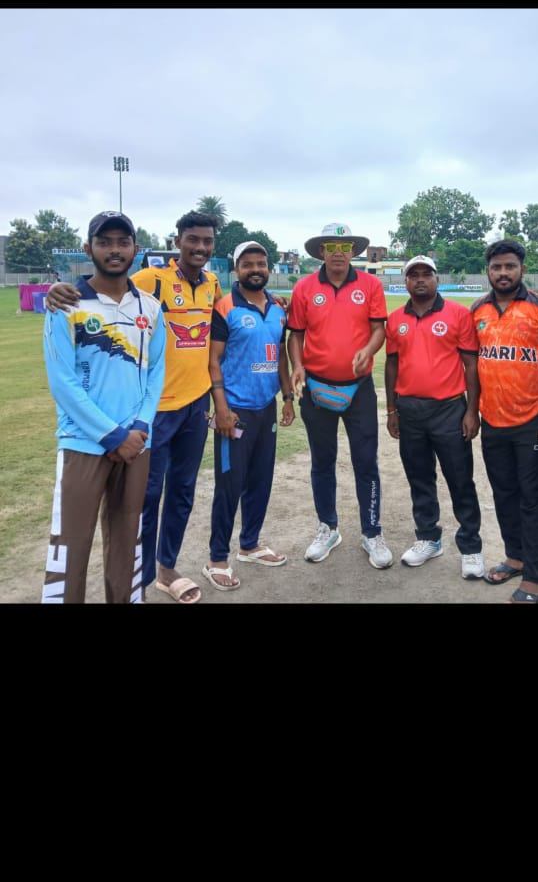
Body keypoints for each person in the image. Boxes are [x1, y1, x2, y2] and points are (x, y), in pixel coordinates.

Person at [46, 211, 221, 605]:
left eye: (207, 241)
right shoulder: (146, 281)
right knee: (111, 521)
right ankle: (140, 582)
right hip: (130, 424)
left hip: (179, 411)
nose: (200, 247)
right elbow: (63, 379)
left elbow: (165, 361)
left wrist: (276, 300)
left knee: (172, 500)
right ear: (177, 242)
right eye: (192, 239)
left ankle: (165, 571)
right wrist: (57, 288)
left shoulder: (207, 285)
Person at [41, 212, 166, 604]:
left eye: (123, 242)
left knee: (127, 543)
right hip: (84, 442)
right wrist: (112, 435)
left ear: (135, 249)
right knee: (71, 547)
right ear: (88, 248)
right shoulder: (65, 305)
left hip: (137, 442)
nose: (115, 250)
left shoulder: (150, 307)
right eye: (104, 241)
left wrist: (140, 427)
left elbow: (156, 373)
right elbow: (62, 382)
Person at [287, 222, 393, 569]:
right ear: (321, 251)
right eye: (331, 246)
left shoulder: (370, 285)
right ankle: (328, 528)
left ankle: (372, 532)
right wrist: (297, 365)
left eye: (344, 247)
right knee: (322, 461)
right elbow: (296, 334)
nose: (338, 252)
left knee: (366, 462)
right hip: (316, 388)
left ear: (353, 252)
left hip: (359, 388)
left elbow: (378, 329)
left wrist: (368, 349)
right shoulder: (304, 287)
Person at [202, 242, 295, 592]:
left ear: (268, 268)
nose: (255, 269)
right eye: (247, 264)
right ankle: (216, 559)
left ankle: (250, 545)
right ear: (236, 269)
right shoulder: (225, 307)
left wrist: (287, 397)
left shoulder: (277, 308)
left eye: (261, 263)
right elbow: (213, 361)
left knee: (260, 480)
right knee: (230, 485)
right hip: (235, 411)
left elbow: (281, 355)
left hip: (265, 407)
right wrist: (222, 409)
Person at [384, 255, 484, 579]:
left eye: (426, 274)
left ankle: (470, 547)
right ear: (405, 282)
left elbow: (471, 364)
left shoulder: (457, 314)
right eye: (413, 274)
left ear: (437, 279)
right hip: (410, 410)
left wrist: (471, 410)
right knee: (419, 478)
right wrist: (392, 409)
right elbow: (392, 364)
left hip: (449, 410)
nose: (420, 279)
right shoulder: (396, 319)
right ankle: (428, 538)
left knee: (460, 479)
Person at [471, 240, 538, 604]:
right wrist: (473, 411)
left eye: (509, 266)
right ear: (488, 270)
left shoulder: (537, 307)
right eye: (496, 267)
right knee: (504, 493)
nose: (502, 273)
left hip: (532, 419)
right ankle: (515, 557)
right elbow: (472, 365)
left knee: (533, 499)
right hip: (493, 419)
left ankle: (535, 577)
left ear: (522, 270)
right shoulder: (478, 309)